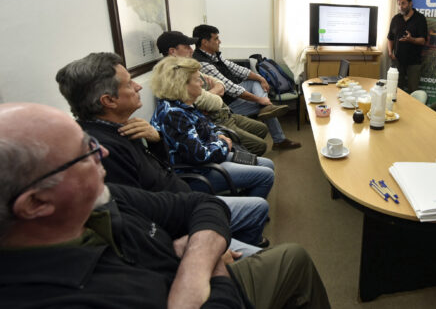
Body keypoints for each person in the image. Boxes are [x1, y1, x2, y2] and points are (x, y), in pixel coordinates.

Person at [0, 102, 331, 309]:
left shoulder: (103, 197)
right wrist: (212, 262)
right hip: (219, 289)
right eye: (85, 152)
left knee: (294, 256)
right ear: (36, 203)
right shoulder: (56, 295)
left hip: (194, 272)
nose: (104, 153)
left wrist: (195, 264)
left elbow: (200, 204)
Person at [56, 53, 269, 252]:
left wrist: (157, 141)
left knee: (259, 204)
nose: (139, 86)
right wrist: (204, 246)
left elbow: (161, 170)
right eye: (130, 83)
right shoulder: (104, 152)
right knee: (272, 249)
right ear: (109, 101)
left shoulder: (124, 129)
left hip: (186, 201)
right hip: (182, 222)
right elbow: (141, 219)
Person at [151, 56, 275, 199]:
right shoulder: (173, 114)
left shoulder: (184, 104)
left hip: (212, 157)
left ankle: (246, 199)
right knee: (266, 175)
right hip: (198, 172)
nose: (202, 84)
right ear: (181, 84)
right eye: (197, 79)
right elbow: (200, 156)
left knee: (268, 164)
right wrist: (222, 143)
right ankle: (247, 212)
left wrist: (218, 138)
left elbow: (210, 127)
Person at [157, 30, 269, 156]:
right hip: (215, 122)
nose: (191, 50)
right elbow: (215, 102)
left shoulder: (188, 68)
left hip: (225, 114)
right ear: (173, 51)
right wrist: (216, 90)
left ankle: (243, 154)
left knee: (262, 129)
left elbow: (220, 83)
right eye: (187, 47)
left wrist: (213, 90)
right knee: (260, 146)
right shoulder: (172, 77)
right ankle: (243, 160)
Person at [192, 24, 301, 150]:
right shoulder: (202, 63)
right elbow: (229, 88)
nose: (219, 41)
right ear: (205, 42)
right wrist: (259, 100)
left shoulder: (214, 55)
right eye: (216, 39)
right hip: (228, 103)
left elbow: (237, 69)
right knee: (265, 105)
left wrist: (261, 78)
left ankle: (267, 108)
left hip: (235, 92)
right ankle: (279, 139)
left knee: (256, 83)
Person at [387, 0, 428, 93]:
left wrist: (411, 39)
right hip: (397, 60)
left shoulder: (420, 19)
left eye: (403, 3)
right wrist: (390, 52)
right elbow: (390, 38)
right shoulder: (396, 19)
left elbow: (423, 40)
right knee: (395, 89)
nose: (401, 7)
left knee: (413, 90)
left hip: (413, 62)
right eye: (399, 4)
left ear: (410, 3)